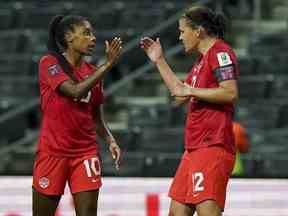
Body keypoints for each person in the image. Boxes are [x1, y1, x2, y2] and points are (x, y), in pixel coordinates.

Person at [141, 5, 239, 216]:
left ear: (198, 31)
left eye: (182, 31)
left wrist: (190, 89)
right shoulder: (200, 63)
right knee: (176, 213)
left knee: (207, 212)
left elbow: (230, 92)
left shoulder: (221, 52)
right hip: (194, 148)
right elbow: (179, 94)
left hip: (212, 145)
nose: (180, 37)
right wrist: (159, 60)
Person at [32, 15, 122, 216]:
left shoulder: (93, 72)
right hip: (52, 153)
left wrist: (110, 140)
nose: (93, 38)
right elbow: (74, 91)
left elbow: (96, 117)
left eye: (92, 34)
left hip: (85, 154)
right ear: (69, 37)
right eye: (86, 33)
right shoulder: (49, 63)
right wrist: (107, 65)